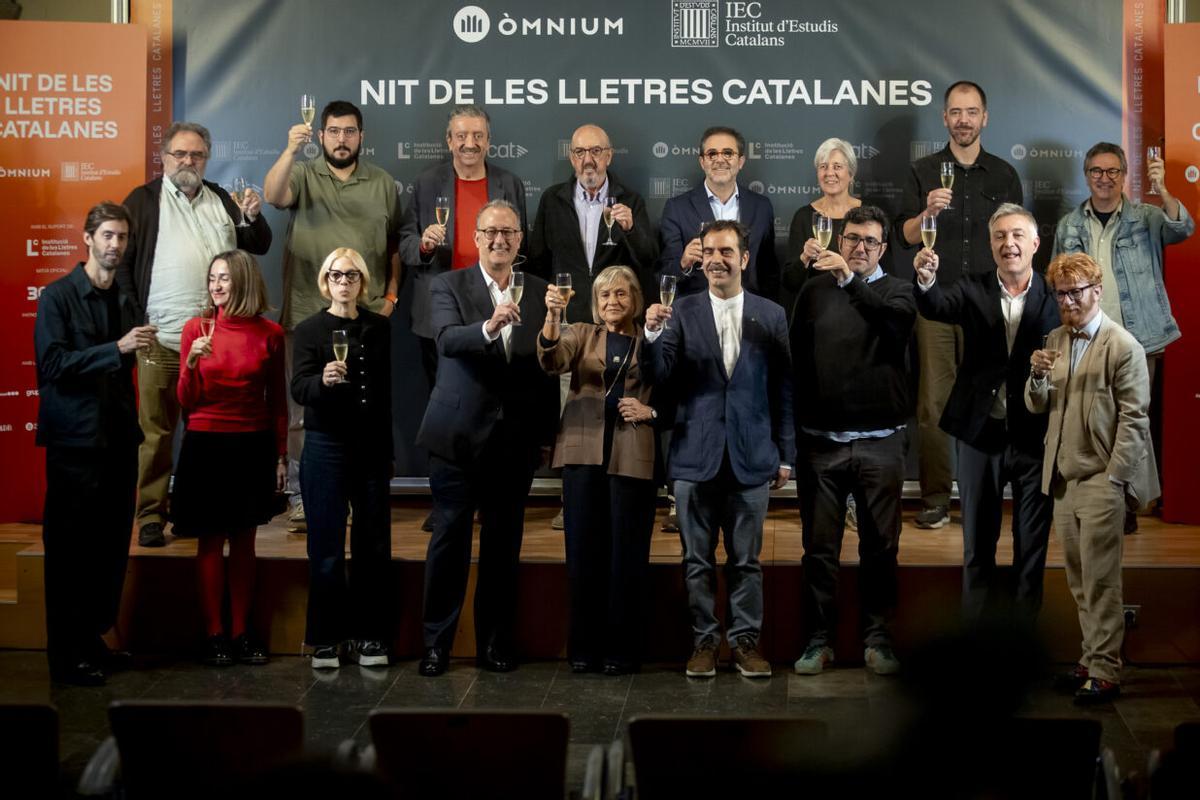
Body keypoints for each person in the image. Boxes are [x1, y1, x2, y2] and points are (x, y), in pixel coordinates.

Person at [642, 219, 794, 679]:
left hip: (752, 458)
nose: (716, 259)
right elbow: (660, 378)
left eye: (726, 251)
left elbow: (784, 389)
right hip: (694, 455)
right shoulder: (680, 312)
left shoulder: (771, 314)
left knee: (747, 562)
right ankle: (704, 643)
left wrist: (785, 453)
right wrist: (650, 336)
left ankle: (746, 644)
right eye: (708, 251)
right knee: (696, 561)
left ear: (744, 259)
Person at [415, 200, 558, 676]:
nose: (500, 241)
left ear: (521, 241)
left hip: (513, 441)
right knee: (449, 543)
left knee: (502, 549)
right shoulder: (448, 284)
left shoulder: (541, 291)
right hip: (456, 437)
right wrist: (489, 325)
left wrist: (545, 433)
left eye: (509, 233)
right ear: (475, 237)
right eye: (491, 232)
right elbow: (447, 341)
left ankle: (494, 644)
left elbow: (545, 369)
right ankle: (436, 643)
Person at [117, 121, 272, 547]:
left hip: (214, 342)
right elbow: (124, 269)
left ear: (206, 158)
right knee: (156, 432)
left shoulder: (222, 198)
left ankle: (197, 511)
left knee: (206, 435)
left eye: (197, 155)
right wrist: (134, 320)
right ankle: (150, 515)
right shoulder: (143, 201)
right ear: (164, 158)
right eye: (180, 154)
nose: (188, 161)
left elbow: (257, 245)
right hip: (161, 338)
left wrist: (253, 217)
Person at [914, 204, 1059, 625]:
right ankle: (976, 638)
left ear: (1035, 243)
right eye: (999, 236)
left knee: (1031, 547)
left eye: (1017, 236)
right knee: (977, 544)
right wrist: (925, 280)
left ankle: (1023, 639)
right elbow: (936, 305)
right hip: (981, 433)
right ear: (990, 244)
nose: (1008, 244)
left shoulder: (1054, 295)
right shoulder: (972, 287)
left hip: (1035, 437)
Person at [789, 206, 915, 677]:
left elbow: (892, 326)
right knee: (819, 551)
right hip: (820, 444)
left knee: (880, 549)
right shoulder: (813, 290)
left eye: (869, 242)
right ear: (839, 239)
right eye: (852, 239)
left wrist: (848, 281)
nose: (859, 248)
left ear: (883, 249)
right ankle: (818, 640)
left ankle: (878, 639)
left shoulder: (899, 291)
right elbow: (796, 360)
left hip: (881, 443)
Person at [264, 99, 401, 531]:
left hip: (369, 316)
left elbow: (395, 245)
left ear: (362, 137)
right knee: (306, 410)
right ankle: (305, 498)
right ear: (321, 136)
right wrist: (289, 150)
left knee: (366, 406)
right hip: (309, 313)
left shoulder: (382, 182)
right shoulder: (303, 174)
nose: (342, 140)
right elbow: (272, 195)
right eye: (334, 132)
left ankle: (358, 497)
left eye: (350, 132)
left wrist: (392, 297)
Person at [35, 202, 156, 685]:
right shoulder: (57, 297)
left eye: (122, 237)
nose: (115, 245)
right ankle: (65, 658)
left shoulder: (122, 301)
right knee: (69, 555)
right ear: (87, 238)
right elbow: (52, 368)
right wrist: (117, 349)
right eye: (107, 235)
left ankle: (92, 643)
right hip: (75, 445)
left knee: (108, 550)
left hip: (118, 441)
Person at [1026, 253, 1155, 704]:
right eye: (1060, 294)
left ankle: (1106, 671)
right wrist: (1036, 376)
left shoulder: (1123, 347)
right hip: (1062, 480)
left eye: (1075, 292)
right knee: (1080, 581)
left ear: (1097, 291)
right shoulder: (1056, 339)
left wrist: (1116, 481)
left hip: (1102, 480)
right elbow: (1038, 406)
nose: (1067, 302)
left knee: (1103, 582)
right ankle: (1090, 659)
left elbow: (1135, 421)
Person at [894, 82, 1023, 530]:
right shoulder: (922, 170)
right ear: (944, 118)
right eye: (955, 112)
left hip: (988, 303)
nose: (963, 120)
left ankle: (980, 496)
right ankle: (935, 499)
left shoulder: (1004, 174)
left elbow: (1018, 240)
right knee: (932, 405)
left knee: (988, 402)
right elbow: (904, 236)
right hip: (935, 301)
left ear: (984, 117)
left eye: (972, 112)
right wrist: (927, 213)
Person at [1052, 142, 1193, 528]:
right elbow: (1057, 281)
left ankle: (1128, 502)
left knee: (1132, 421)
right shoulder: (1069, 225)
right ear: (1086, 176)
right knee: (1092, 421)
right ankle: (1095, 500)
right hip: (1085, 338)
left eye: (1113, 171)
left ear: (1125, 175)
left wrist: (1163, 191)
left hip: (1138, 338)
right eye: (1096, 171)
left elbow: (1184, 228)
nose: (1104, 178)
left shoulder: (1146, 217)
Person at [538, 265, 659, 675]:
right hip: (582, 456)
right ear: (594, 301)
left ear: (635, 299)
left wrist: (650, 410)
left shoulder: (651, 340)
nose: (613, 303)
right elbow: (552, 360)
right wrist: (553, 317)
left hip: (632, 455)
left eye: (622, 295)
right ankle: (584, 650)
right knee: (584, 556)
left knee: (626, 557)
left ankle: (622, 651)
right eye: (605, 296)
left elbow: (671, 384)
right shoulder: (581, 333)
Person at [173, 251, 286, 666]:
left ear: (243, 282)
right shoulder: (195, 329)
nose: (216, 286)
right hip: (205, 443)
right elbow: (186, 402)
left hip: (251, 443)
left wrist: (280, 455)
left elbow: (277, 403)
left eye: (224, 278)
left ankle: (241, 631)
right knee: (210, 540)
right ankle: (214, 634)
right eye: (212, 278)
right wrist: (190, 363)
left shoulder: (270, 333)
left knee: (244, 541)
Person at [290, 248, 395, 670]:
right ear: (325, 280)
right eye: (337, 275)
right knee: (326, 545)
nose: (345, 282)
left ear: (363, 282)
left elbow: (386, 395)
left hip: (369, 445)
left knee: (372, 544)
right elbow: (298, 387)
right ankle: (326, 638)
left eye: (352, 275)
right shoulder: (310, 329)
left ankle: (371, 635)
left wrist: (388, 452)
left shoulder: (379, 328)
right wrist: (322, 381)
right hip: (325, 446)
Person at [400, 104, 528, 389]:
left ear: (488, 141)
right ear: (449, 140)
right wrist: (423, 245)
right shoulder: (427, 182)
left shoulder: (509, 183)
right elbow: (406, 242)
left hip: (497, 304)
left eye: (478, 136)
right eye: (461, 136)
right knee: (444, 394)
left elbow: (523, 247)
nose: (470, 144)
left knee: (499, 393)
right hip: (443, 308)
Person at [528, 123, 658, 323]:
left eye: (596, 151)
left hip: (615, 319)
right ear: (572, 158)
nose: (588, 160)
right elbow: (538, 261)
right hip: (567, 317)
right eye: (580, 152)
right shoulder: (552, 199)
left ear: (609, 156)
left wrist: (631, 230)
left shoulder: (630, 200)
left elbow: (648, 259)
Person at [658, 125, 778, 301]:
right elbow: (664, 273)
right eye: (712, 154)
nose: (719, 160)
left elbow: (769, 272)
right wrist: (684, 263)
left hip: (749, 313)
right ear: (702, 162)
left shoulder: (761, 207)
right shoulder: (677, 208)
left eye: (728, 153)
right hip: (696, 312)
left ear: (741, 161)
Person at [784, 137, 868, 292]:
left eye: (837, 166)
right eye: (823, 166)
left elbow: (882, 273)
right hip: (816, 305)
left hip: (859, 301)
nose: (830, 173)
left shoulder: (870, 214)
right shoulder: (803, 216)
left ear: (851, 174)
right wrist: (804, 257)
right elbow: (790, 282)